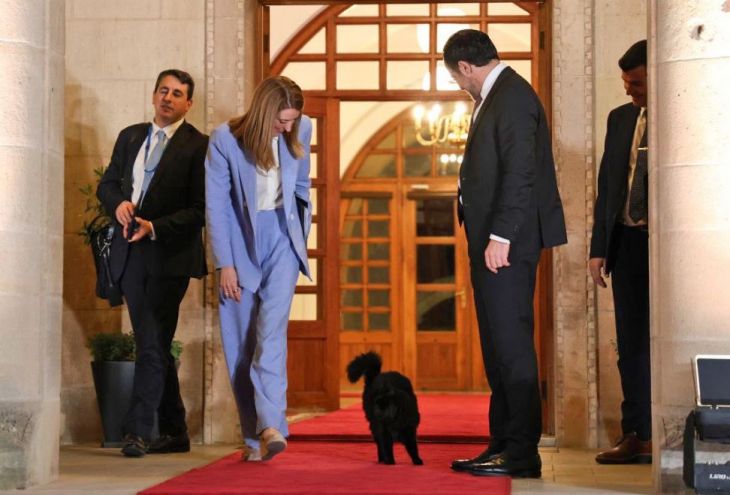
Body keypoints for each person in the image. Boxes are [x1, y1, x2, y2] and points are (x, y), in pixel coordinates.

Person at [443, 29, 567, 478]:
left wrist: (502, 236)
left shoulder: (512, 97)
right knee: (497, 346)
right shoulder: (496, 97)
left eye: (456, 78)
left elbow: (521, 173)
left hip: (505, 244)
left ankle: (521, 453)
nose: (460, 86)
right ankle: (502, 443)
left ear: (465, 67)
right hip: (491, 242)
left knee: (511, 346)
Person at [97, 69, 208, 457]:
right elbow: (107, 184)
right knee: (155, 342)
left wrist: (154, 226)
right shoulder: (130, 136)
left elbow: (200, 209)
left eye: (177, 94)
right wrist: (118, 204)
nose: (168, 98)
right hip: (129, 254)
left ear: (188, 104)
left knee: (150, 338)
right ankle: (175, 431)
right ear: (153, 95)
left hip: (169, 257)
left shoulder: (199, 146)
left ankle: (137, 431)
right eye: (163, 90)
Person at [205, 76, 311, 462]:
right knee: (240, 343)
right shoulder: (224, 140)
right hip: (240, 244)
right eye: (282, 120)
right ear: (265, 112)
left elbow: (301, 186)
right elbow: (217, 205)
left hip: (283, 238)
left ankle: (271, 426)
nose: (287, 127)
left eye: (292, 120)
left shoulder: (302, 128)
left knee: (271, 334)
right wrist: (226, 264)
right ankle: (254, 438)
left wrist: (299, 234)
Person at [589, 40, 651, 465]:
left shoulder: (687, 112)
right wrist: (599, 249)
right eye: (626, 83)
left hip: (670, 245)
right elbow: (608, 186)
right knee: (629, 343)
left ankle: (672, 430)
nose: (629, 90)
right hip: (626, 243)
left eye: (637, 83)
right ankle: (637, 434)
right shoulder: (620, 118)